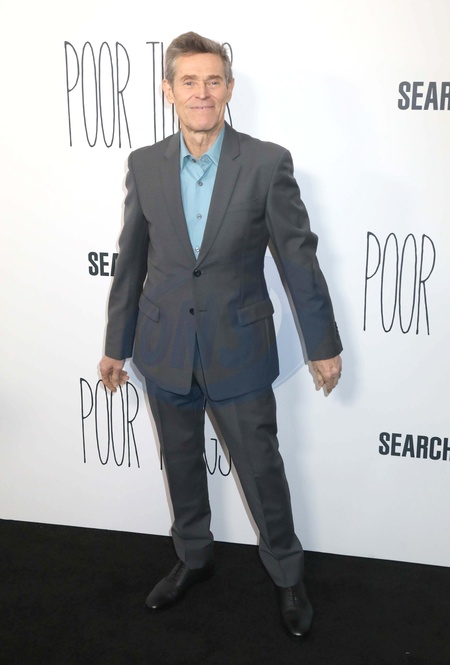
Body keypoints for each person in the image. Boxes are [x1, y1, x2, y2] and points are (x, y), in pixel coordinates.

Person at [99, 31, 342, 638]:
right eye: (189, 81)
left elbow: (298, 260)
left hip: (240, 349)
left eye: (213, 81)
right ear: (168, 90)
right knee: (181, 465)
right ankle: (193, 558)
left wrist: (322, 344)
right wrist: (116, 344)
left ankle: (288, 576)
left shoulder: (265, 163)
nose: (201, 93)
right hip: (164, 349)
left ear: (229, 89)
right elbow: (131, 261)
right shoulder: (144, 164)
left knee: (262, 471)